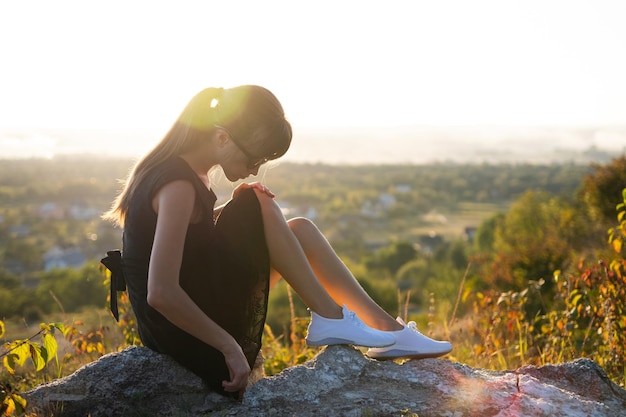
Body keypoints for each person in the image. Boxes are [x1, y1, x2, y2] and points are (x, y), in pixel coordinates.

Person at [102, 85, 452, 398]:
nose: (255, 168)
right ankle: (331, 318)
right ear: (222, 137)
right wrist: (228, 347)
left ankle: (387, 330)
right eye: (253, 158)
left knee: (297, 227)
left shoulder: (190, 173)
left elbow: (195, 245)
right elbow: (161, 292)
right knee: (259, 202)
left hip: (198, 305)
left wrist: (231, 209)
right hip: (186, 337)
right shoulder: (176, 184)